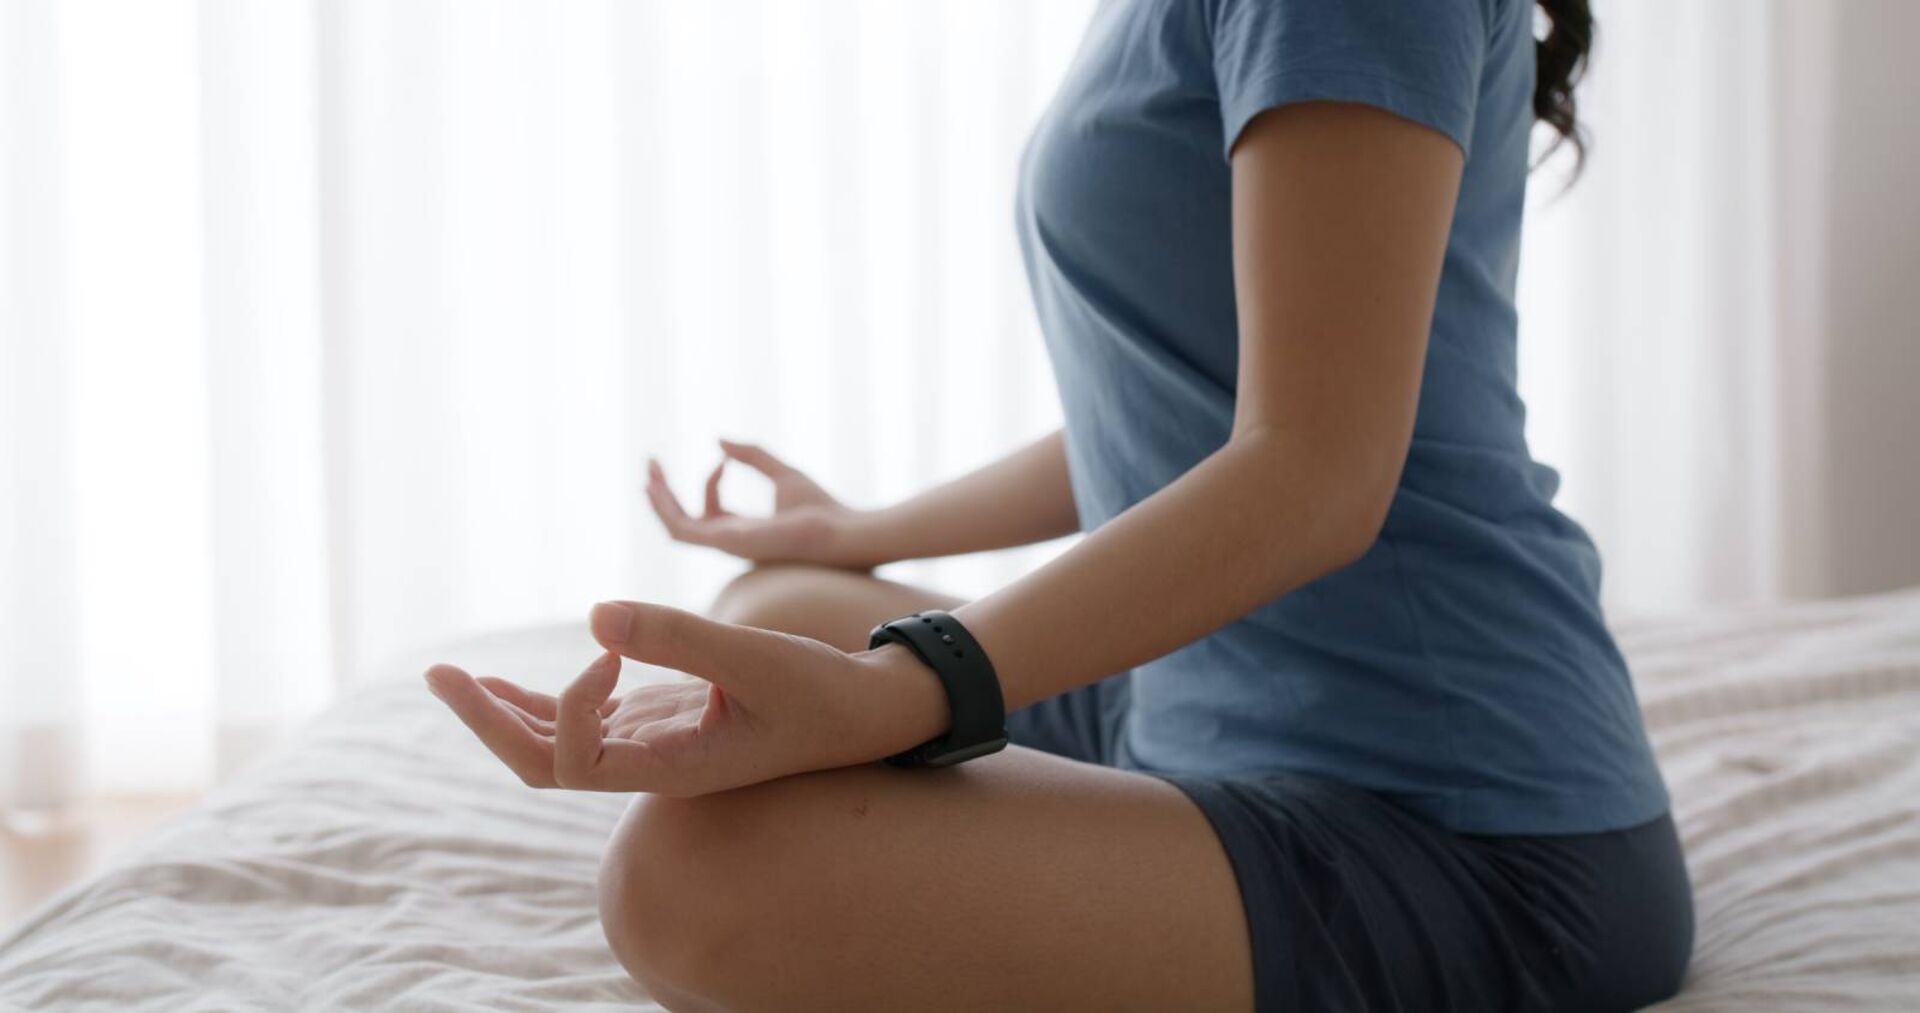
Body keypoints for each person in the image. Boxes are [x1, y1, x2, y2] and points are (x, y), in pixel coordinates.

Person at [425, 0, 1694, 1008]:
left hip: (1470, 823)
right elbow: (1186, 408)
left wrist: (897, 686)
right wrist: (855, 535)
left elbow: (1312, 468)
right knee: (787, 603)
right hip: (1200, 696)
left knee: (687, 875)